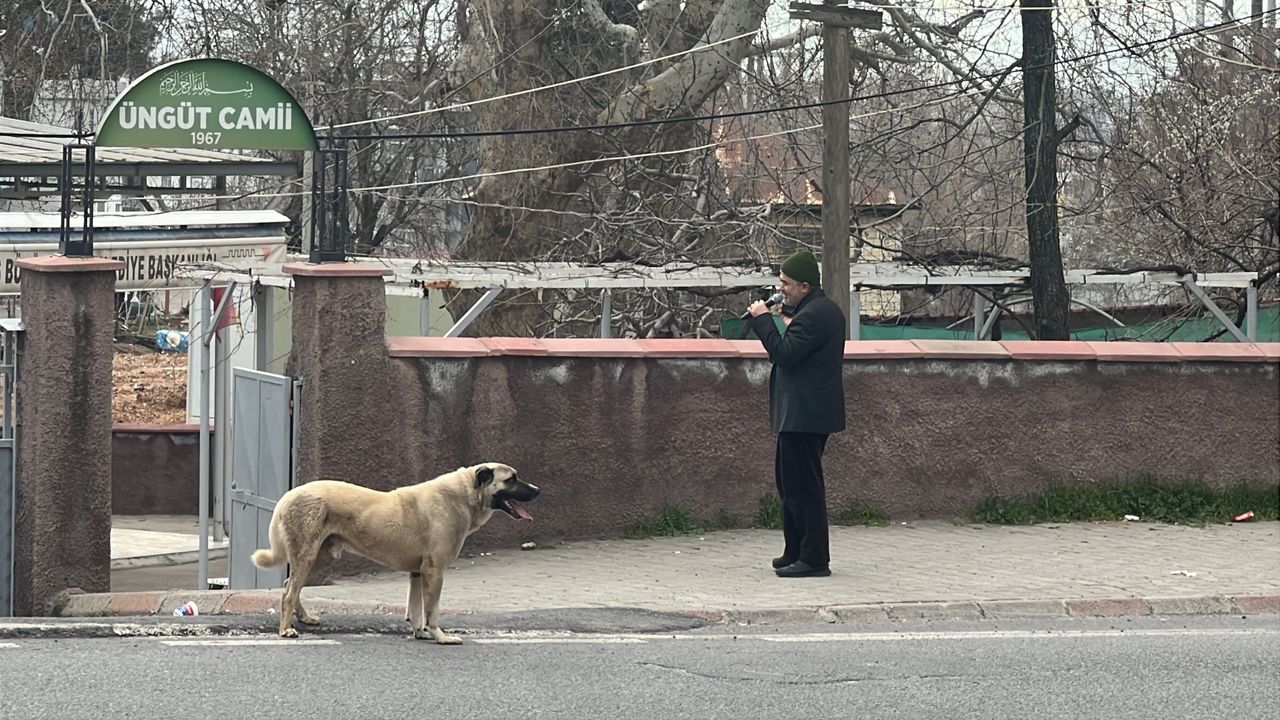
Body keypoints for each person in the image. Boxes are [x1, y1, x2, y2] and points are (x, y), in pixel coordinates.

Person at [745, 249, 846, 578]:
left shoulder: (816, 314)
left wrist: (763, 320)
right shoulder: (815, 311)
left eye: (786, 283)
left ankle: (814, 558)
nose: (781, 289)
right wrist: (785, 319)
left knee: (804, 487)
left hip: (805, 415)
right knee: (789, 484)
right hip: (801, 414)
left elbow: (784, 354)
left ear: (805, 286)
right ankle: (796, 550)